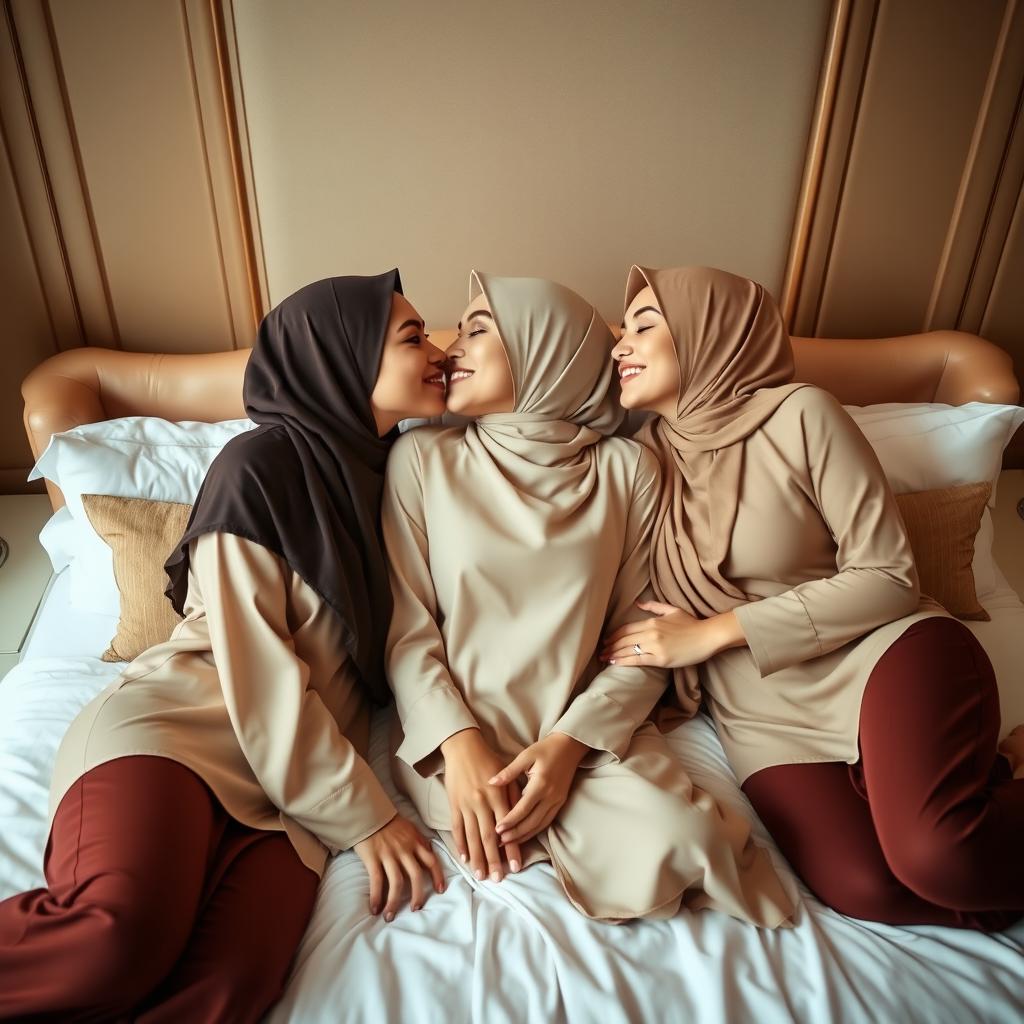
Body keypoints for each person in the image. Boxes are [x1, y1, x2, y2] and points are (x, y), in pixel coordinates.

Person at [0, 271, 451, 1022]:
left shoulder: (396, 480)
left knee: (225, 989)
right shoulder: (257, 469)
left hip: (282, 809)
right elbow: (260, 678)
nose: (437, 351)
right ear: (341, 359)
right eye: (412, 337)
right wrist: (367, 816)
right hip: (178, 733)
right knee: (114, 940)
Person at [602, 264, 1024, 930]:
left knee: (939, 856)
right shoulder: (637, 462)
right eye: (621, 331)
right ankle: (997, 778)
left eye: (644, 326)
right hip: (762, 714)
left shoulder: (801, 414)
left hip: (881, 653)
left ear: (714, 332)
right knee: (869, 890)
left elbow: (888, 574)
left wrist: (713, 632)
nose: (619, 344)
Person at [383, 271, 792, 925]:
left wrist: (569, 747)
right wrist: (460, 748)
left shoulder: (627, 471)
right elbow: (408, 632)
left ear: (548, 349)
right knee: (497, 821)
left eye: (478, 329)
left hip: (587, 737)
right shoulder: (422, 460)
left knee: (692, 843)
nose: (450, 345)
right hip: (462, 740)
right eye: (457, 328)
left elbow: (641, 636)